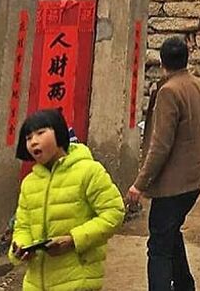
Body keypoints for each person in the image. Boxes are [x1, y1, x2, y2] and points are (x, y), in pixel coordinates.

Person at [128, 36, 200, 291]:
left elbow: (161, 145)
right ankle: (185, 285)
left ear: (162, 62)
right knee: (171, 232)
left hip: (171, 186)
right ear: (186, 58)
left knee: (158, 248)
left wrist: (139, 184)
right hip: (195, 179)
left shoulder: (168, 92)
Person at [9, 108, 125, 291]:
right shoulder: (29, 183)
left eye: (40, 133)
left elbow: (114, 213)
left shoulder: (89, 171)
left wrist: (73, 240)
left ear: (60, 133)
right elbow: (22, 226)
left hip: (78, 280)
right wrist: (20, 247)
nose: (33, 141)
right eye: (28, 138)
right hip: (35, 284)